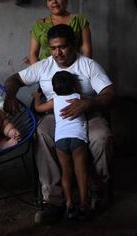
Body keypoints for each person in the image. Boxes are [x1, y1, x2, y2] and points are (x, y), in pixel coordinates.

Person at [4, 24, 115, 224]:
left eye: (62, 47)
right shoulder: (44, 65)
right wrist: (11, 94)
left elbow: (109, 93)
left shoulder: (88, 65)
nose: (58, 53)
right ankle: (53, 201)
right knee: (43, 134)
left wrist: (89, 103)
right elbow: (14, 79)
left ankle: (99, 191)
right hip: (56, 118)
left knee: (101, 136)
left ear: (73, 45)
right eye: (53, 48)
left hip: (89, 115)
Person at [34, 70, 90, 220]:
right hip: (78, 137)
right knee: (81, 171)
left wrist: (36, 97)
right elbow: (91, 103)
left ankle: (69, 204)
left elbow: (38, 108)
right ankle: (84, 205)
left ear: (53, 88)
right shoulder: (79, 98)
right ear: (74, 85)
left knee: (66, 172)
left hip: (61, 139)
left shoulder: (54, 101)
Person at [27, 0, 92, 65]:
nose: (54, 1)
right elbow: (33, 54)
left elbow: (87, 50)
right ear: (46, 3)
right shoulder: (39, 25)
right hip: (46, 71)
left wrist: (81, 70)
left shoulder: (79, 20)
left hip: (74, 68)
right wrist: (40, 73)